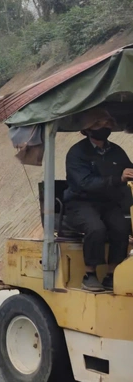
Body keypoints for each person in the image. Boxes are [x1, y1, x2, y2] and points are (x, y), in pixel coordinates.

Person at [63, 107, 133, 292]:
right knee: (96, 228)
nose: (104, 126)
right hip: (80, 203)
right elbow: (85, 183)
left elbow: (128, 170)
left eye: (106, 123)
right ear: (86, 130)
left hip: (108, 203)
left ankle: (112, 274)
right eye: (98, 124)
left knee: (122, 226)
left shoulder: (116, 151)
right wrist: (118, 178)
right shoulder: (77, 153)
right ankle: (90, 274)